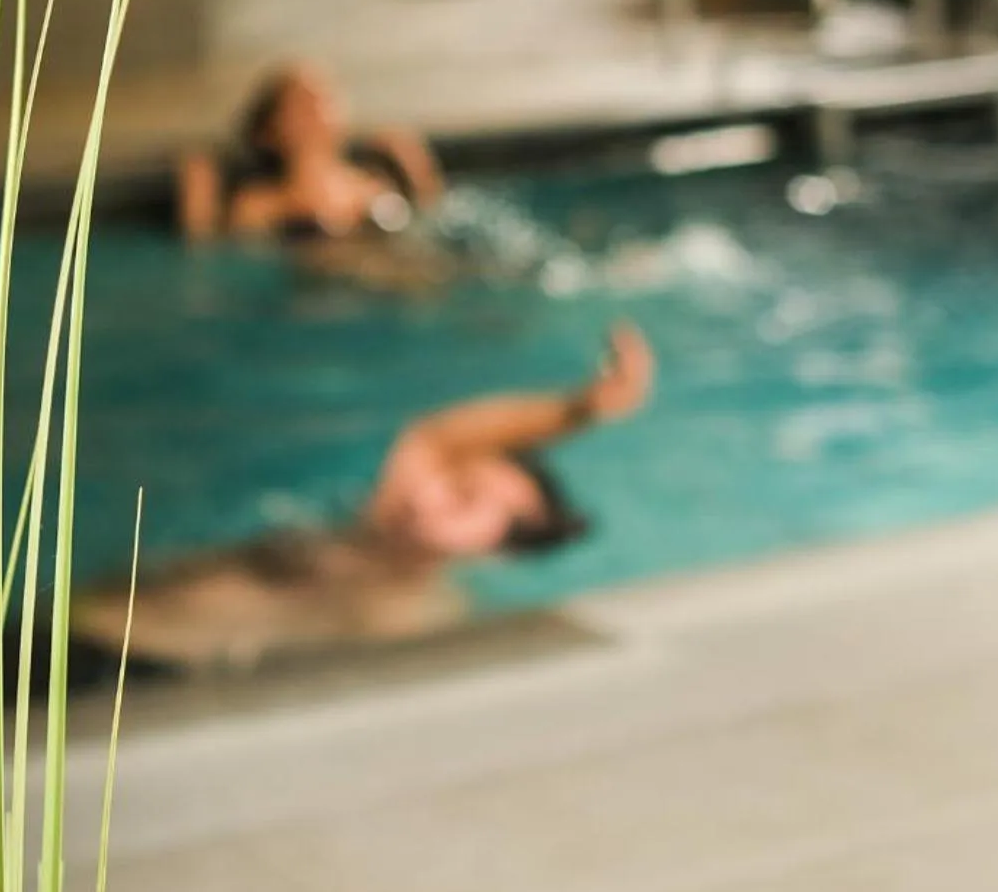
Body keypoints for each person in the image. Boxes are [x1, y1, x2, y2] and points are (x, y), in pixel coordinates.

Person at [70, 323, 655, 674]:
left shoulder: (414, 617)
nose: (431, 496)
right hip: (78, 621)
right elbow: (436, 437)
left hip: (139, 671)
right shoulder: (371, 526)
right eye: (450, 481)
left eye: (465, 501)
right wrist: (576, 410)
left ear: (497, 552)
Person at [177, 61, 443, 243]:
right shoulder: (259, 206)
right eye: (299, 103)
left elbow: (432, 224)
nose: (316, 108)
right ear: (269, 131)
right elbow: (212, 262)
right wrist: (198, 208)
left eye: (325, 98)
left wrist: (416, 169)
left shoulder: (373, 187)